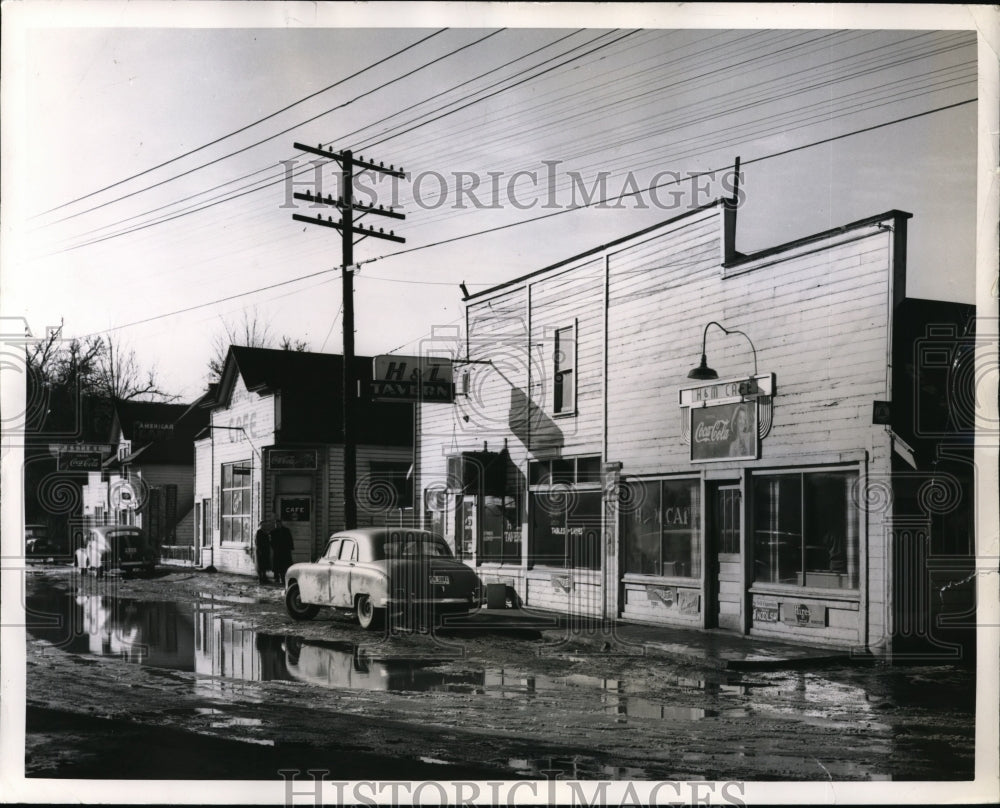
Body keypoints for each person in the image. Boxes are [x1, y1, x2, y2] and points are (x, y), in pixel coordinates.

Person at [269, 518, 294, 585]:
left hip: (285, 551)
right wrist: (274, 547)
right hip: (277, 551)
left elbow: (290, 539)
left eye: (278, 523)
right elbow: (271, 542)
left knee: (285, 565)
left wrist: (290, 548)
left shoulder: (286, 530)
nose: (277, 525)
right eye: (276, 524)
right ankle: (277, 578)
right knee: (277, 565)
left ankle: (284, 578)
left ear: (281, 523)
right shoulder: (273, 532)